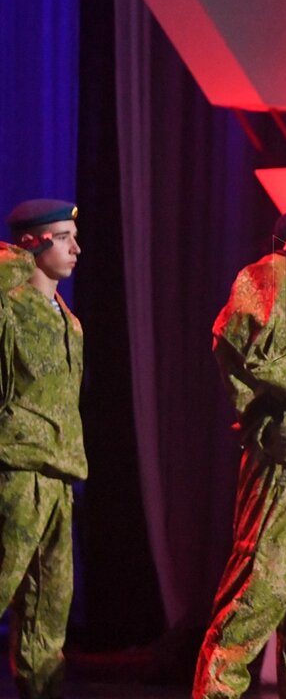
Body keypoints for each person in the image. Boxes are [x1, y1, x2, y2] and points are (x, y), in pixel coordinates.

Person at [193, 205, 286, 698]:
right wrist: (282, 264)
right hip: (284, 467)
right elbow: (233, 336)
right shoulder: (272, 284)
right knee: (257, 596)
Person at [0, 199, 85, 699]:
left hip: (58, 474)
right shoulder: (10, 305)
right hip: (16, 470)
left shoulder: (68, 320)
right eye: (63, 238)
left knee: (48, 611)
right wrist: (15, 257)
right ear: (32, 243)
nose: (76, 249)